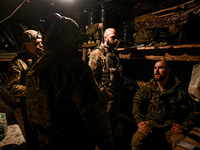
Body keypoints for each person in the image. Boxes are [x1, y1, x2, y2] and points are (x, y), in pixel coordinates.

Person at [25, 13, 114, 150]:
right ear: (71, 37)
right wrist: (107, 144)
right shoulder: (74, 67)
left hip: (46, 143)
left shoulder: (37, 67)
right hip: (74, 143)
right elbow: (93, 114)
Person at [131, 60, 200, 150]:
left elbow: (195, 109)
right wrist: (139, 121)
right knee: (136, 141)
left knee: (183, 147)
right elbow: (137, 103)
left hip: (171, 127)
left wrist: (184, 126)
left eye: (160, 68)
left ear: (168, 71)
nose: (156, 71)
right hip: (152, 123)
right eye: (155, 68)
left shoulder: (178, 89)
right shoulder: (148, 87)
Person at [5, 29, 44, 148]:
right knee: (33, 140)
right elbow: (11, 88)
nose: (40, 46)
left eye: (41, 42)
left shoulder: (44, 59)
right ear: (26, 45)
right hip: (28, 110)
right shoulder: (18, 63)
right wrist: (33, 91)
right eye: (36, 43)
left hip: (44, 109)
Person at [88, 28, 124, 149]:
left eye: (116, 37)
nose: (115, 40)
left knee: (112, 130)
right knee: (102, 133)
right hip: (103, 101)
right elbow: (91, 79)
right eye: (112, 37)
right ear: (105, 38)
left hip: (114, 99)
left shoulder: (113, 54)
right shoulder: (96, 54)